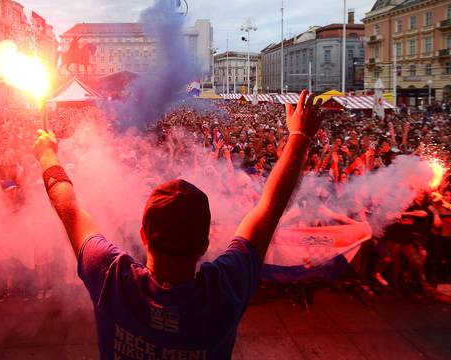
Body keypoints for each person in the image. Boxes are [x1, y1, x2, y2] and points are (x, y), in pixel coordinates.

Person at [32, 90, 323, 359]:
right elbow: (268, 211)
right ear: (205, 245)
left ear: (143, 236)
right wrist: (298, 136)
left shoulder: (112, 278)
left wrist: (47, 154)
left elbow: (67, 206)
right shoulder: (224, 292)